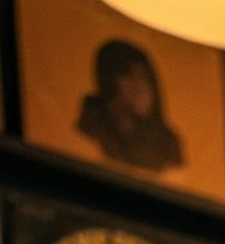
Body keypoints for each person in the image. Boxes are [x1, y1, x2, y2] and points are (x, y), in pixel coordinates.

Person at [77, 40, 183, 174]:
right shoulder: (91, 124)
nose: (140, 87)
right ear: (110, 81)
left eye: (144, 78)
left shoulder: (167, 144)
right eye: (127, 75)